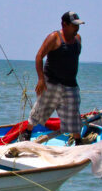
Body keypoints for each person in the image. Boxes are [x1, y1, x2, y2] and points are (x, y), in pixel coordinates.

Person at [22, 11, 85, 144]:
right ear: (64, 24)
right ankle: (27, 133)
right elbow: (39, 56)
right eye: (74, 25)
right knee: (40, 109)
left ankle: (78, 141)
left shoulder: (78, 39)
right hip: (51, 83)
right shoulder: (54, 38)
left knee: (73, 114)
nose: (77, 28)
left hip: (70, 85)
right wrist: (41, 79)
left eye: (78, 25)